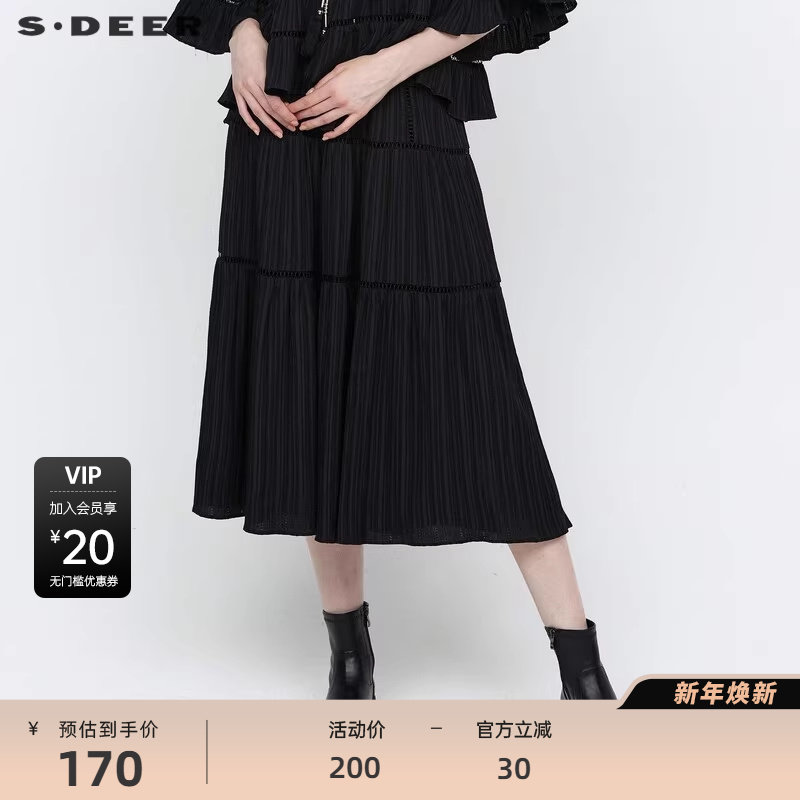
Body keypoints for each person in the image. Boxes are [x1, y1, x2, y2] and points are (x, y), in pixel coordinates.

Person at [164, 0, 615, 700]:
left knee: (479, 389)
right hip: (282, 116)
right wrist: (243, 34)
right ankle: (350, 658)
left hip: (403, 108)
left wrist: (382, 70)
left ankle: (580, 668)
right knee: (310, 379)